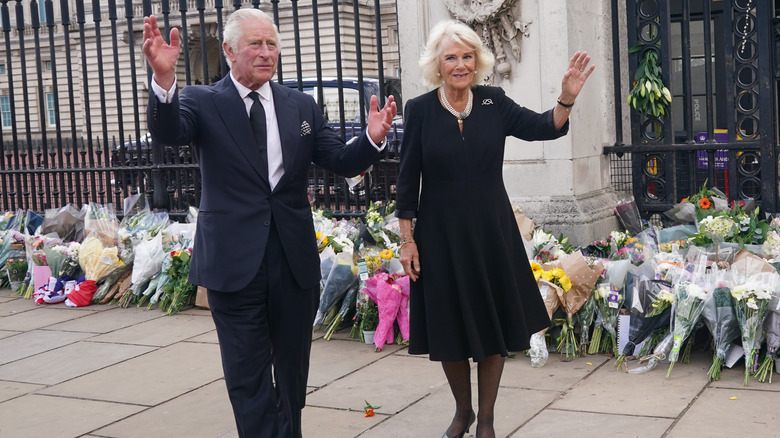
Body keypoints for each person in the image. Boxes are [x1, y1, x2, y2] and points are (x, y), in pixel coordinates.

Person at [142, 9, 396, 438]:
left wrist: (372, 139)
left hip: (291, 261)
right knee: (248, 377)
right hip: (233, 263)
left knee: (293, 376)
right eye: (255, 44)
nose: (266, 53)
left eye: (272, 44)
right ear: (228, 51)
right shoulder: (203, 100)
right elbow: (170, 131)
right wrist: (164, 82)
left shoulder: (299, 105)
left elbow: (339, 159)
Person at [395, 20, 593, 438]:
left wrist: (567, 98)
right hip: (440, 236)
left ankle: (485, 421)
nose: (461, 64)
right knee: (449, 326)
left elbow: (543, 126)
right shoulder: (420, 110)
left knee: (492, 326)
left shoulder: (493, 102)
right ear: (437, 64)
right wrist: (407, 240)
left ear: (478, 61)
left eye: (468, 56)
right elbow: (408, 178)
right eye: (452, 57)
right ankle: (461, 412)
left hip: (491, 231)